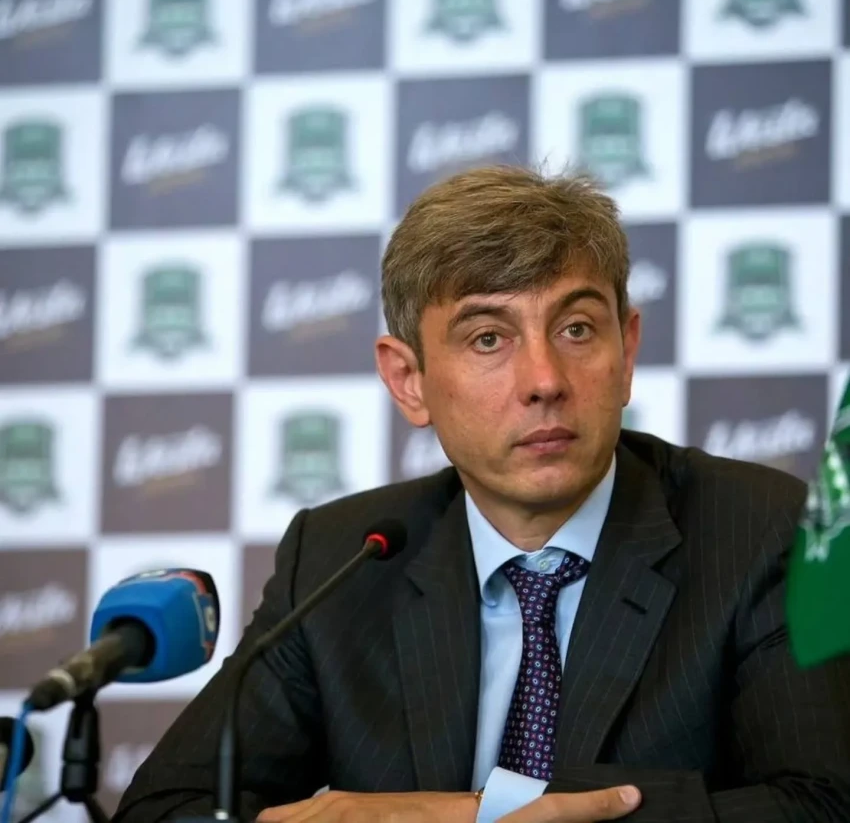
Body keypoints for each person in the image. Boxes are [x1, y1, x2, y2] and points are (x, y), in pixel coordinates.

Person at [112, 166, 850, 823]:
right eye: (489, 339)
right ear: (409, 380)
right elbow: (168, 807)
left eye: (577, 328)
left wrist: (471, 815)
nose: (545, 380)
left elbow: (822, 802)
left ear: (626, 352)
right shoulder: (340, 561)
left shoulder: (765, 532)